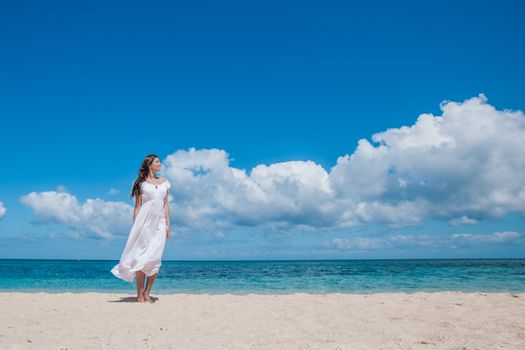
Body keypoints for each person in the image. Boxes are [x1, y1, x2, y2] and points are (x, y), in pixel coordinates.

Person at [111, 154, 171, 303]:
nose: (160, 164)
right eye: (157, 162)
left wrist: (168, 225)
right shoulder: (141, 184)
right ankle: (140, 294)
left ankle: (147, 293)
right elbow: (137, 207)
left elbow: (165, 205)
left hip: (160, 224)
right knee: (140, 258)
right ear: (150, 164)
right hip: (144, 224)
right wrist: (135, 228)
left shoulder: (165, 183)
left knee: (155, 258)